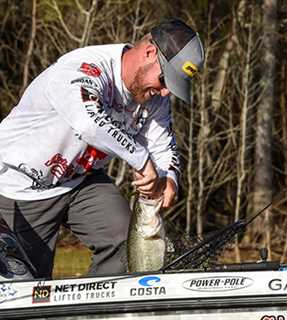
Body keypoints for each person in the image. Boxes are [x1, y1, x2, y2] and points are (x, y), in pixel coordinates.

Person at [0, 18, 204, 278]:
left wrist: (169, 178)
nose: (165, 93)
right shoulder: (83, 68)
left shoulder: (154, 98)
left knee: (123, 243)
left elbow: (162, 143)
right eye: (164, 80)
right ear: (149, 52)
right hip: (21, 186)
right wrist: (141, 160)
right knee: (28, 286)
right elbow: (89, 122)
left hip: (82, 181)